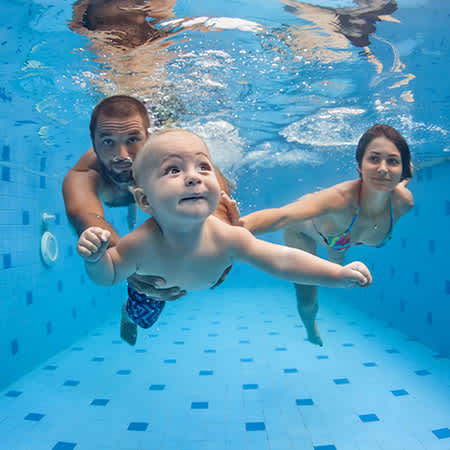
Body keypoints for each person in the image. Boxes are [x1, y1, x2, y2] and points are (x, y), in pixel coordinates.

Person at [77, 129, 372, 324]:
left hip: (196, 278)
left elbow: (283, 260)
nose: (194, 177)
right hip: (154, 288)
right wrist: (96, 259)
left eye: (203, 166)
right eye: (173, 170)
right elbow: (111, 274)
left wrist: (337, 274)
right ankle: (127, 317)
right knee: (143, 318)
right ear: (144, 201)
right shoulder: (140, 245)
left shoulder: (229, 238)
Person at [63, 95, 238, 345]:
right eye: (107, 142)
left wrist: (222, 246)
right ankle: (129, 314)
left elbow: (214, 191)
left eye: (133, 140)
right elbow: (87, 215)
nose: (120, 155)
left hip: (162, 210)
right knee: (146, 303)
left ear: (149, 137)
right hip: (146, 205)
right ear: (93, 142)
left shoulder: (170, 158)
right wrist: (126, 262)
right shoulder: (85, 174)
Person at [240, 124, 414, 346]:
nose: (383, 169)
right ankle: (310, 327)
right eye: (374, 159)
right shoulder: (339, 199)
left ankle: (336, 255)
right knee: (307, 297)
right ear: (359, 165)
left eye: (393, 161)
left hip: (340, 233)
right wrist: (229, 228)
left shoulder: (403, 203)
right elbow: (280, 217)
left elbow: (402, 178)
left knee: (338, 248)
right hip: (304, 229)